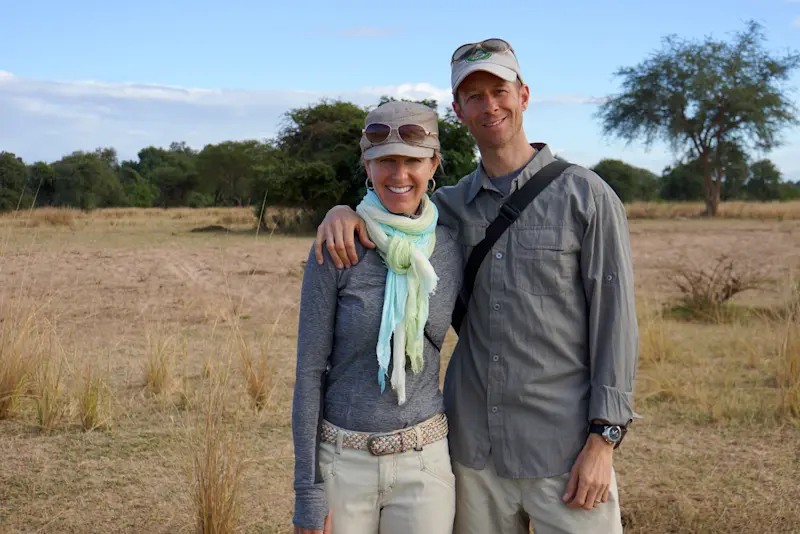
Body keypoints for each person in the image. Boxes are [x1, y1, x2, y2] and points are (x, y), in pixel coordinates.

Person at [313, 38, 639, 534]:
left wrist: (603, 440)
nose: (490, 105)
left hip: (566, 449)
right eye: (473, 96)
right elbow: (391, 200)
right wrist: (340, 213)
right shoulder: (447, 206)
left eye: (499, 89)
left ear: (523, 94)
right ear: (458, 110)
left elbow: (616, 325)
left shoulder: (587, 197)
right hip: (473, 454)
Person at [291, 101, 464, 534]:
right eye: (386, 160)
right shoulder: (337, 245)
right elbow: (309, 373)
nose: (399, 174)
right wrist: (307, 490)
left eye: (413, 161)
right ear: (367, 167)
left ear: (434, 165)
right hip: (342, 466)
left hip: (425, 464)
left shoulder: (450, 246)